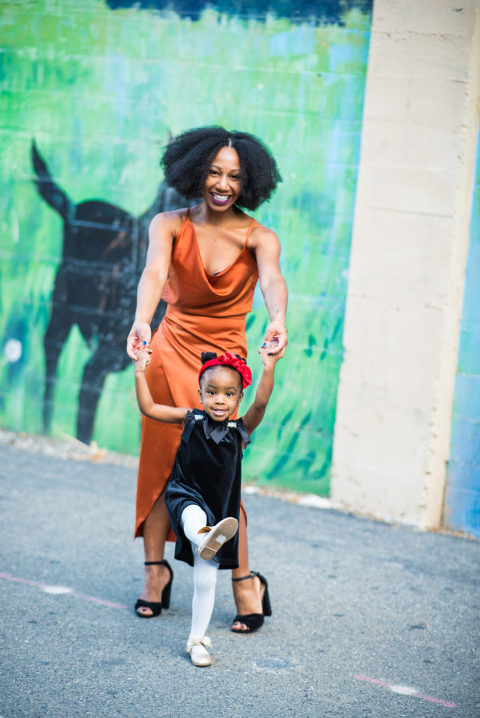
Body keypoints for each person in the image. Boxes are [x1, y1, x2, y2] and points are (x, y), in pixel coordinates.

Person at [126, 126, 288, 631]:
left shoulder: (258, 235)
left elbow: (273, 280)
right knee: (160, 464)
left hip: (223, 366)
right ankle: (156, 574)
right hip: (169, 348)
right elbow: (154, 273)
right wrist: (140, 319)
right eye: (214, 171)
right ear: (195, 171)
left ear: (249, 183)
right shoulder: (169, 224)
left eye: (235, 176)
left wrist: (277, 319)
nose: (222, 183)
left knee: (219, 469)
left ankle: (245, 581)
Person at [133, 346, 282, 665]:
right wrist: (138, 370)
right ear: (199, 394)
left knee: (206, 581)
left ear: (238, 400)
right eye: (212, 392)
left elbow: (262, 402)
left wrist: (268, 368)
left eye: (229, 394)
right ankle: (204, 536)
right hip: (185, 494)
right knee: (191, 514)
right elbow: (148, 407)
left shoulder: (240, 430)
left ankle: (196, 641)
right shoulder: (190, 420)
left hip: (220, 513)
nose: (219, 399)